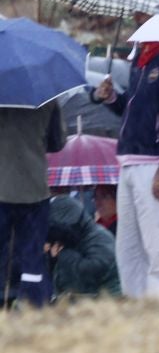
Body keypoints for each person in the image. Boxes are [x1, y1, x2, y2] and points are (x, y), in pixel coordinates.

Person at [97, 39, 159, 299]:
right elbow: (137, 107)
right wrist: (114, 98)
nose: (137, 15)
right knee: (128, 250)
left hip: (154, 163)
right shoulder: (142, 53)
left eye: (143, 11)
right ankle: (135, 312)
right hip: (128, 160)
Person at [0, 100, 66, 308]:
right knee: (32, 256)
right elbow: (57, 142)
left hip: (2, 187)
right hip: (35, 189)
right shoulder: (46, 99)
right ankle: (33, 308)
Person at [47, 194, 120, 301]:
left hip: (107, 302)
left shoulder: (99, 237)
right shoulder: (70, 241)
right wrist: (51, 259)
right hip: (79, 301)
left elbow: (93, 270)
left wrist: (63, 255)